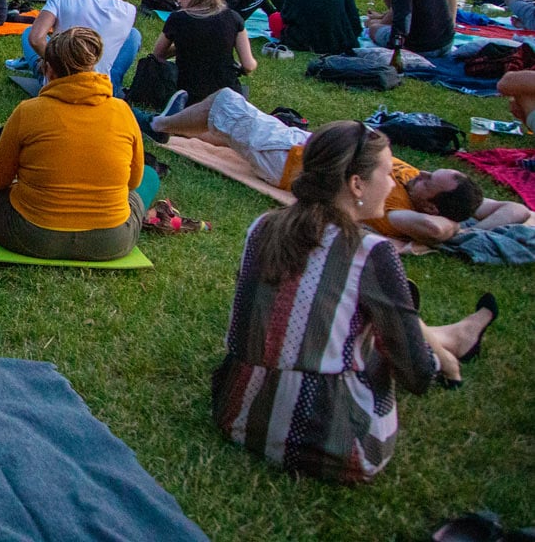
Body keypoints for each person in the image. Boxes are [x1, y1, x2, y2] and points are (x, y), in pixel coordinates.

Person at [210, 121, 497, 484]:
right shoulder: (370, 253)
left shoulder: (262, 227)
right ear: (356, 183)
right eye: (388, 172)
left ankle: (444, 337)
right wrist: (419, 351)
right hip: (336, 443)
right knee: (383, 333)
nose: (394, 183)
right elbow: (417, 376)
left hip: (237, 412)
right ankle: (446, 342)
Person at [147, 87, 531, 248]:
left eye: (430, 182)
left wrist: (457, 232)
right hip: (305, 143)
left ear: (431, 206)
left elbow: (434, 228)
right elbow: (520, 211)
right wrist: (474, 223)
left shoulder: (398, 210)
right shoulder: (435, 195)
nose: (422, 174)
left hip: (289, 156)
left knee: (227, 100)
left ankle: (159, 125)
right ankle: (179, 126)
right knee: (228, 128)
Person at [0, 27, 152, 261]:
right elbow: (133, 182)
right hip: (111, 241)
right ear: (93, 66)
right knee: (141, 190)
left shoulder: (28, 112)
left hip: (30, 235)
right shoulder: (122, 111)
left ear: (48, 69)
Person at [11, 0, 140, 93]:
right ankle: (113, 85)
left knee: (29, 32)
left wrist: (57, 64)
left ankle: (42, 67)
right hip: (98, 84)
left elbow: (36, 39)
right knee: (133, 34)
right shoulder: (129, 11)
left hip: (60, 78)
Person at [153, 0, 255, 105]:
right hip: (227, 95)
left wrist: (184, 45)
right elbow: (248, 65)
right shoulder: (233, 17)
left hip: (189, 95)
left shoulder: (178, 19)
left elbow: (158, 54)